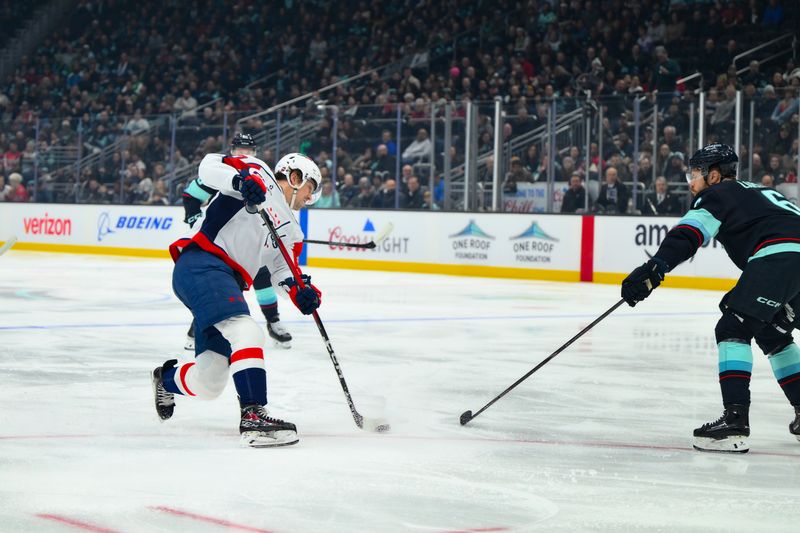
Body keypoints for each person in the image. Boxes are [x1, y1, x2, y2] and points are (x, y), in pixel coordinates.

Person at [621, 144, 800, 453]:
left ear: (713, 175)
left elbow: (689, 234)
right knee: (772, 331)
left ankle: (735, 421)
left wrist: (655, 267)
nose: (691, 182)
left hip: (780, 257)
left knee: (733, 327)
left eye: (695, 175)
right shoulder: (761, 191)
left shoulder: (716, 195)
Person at [152, 149, 322, 447]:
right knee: (246, 331)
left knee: (210, 382)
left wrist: (302, 293)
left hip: (225, 282)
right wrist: (238, 180)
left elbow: (284, 271)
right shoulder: (257, 171)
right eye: (310, 190)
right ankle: (253, 415)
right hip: (202, 263)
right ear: (295, 177)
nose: (310, 199)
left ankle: (165, 380)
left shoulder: (293, 231)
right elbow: (207, 166)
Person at [182, 133, 298, 349]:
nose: (244, 154)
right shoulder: (223, 171)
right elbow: (190, 196)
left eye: (249, 151)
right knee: (219, 287)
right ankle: (197, 328)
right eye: (240, 150)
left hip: (250, 241)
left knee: (262, 277)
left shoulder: (257, 174)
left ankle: (273, 322)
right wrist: (195, 220)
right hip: (222, 242)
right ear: (232, 151)